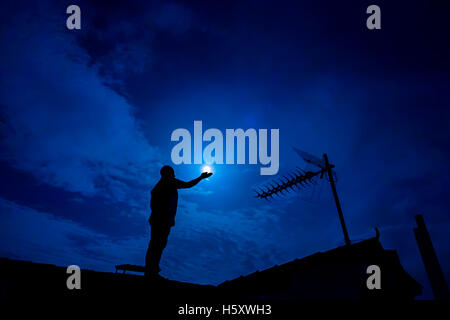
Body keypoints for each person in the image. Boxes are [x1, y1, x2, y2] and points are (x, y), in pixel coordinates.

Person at [145, 165, 212, 279]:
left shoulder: (163, 184)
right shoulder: (167, 182)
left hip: (161, 219)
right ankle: (151, 271)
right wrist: (200, 178)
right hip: (160, 220)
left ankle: (152, 270)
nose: (174, 174)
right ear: (167, 174)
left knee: (158, 244)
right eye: (172, 172)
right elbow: (187, 185)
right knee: (157, 244)